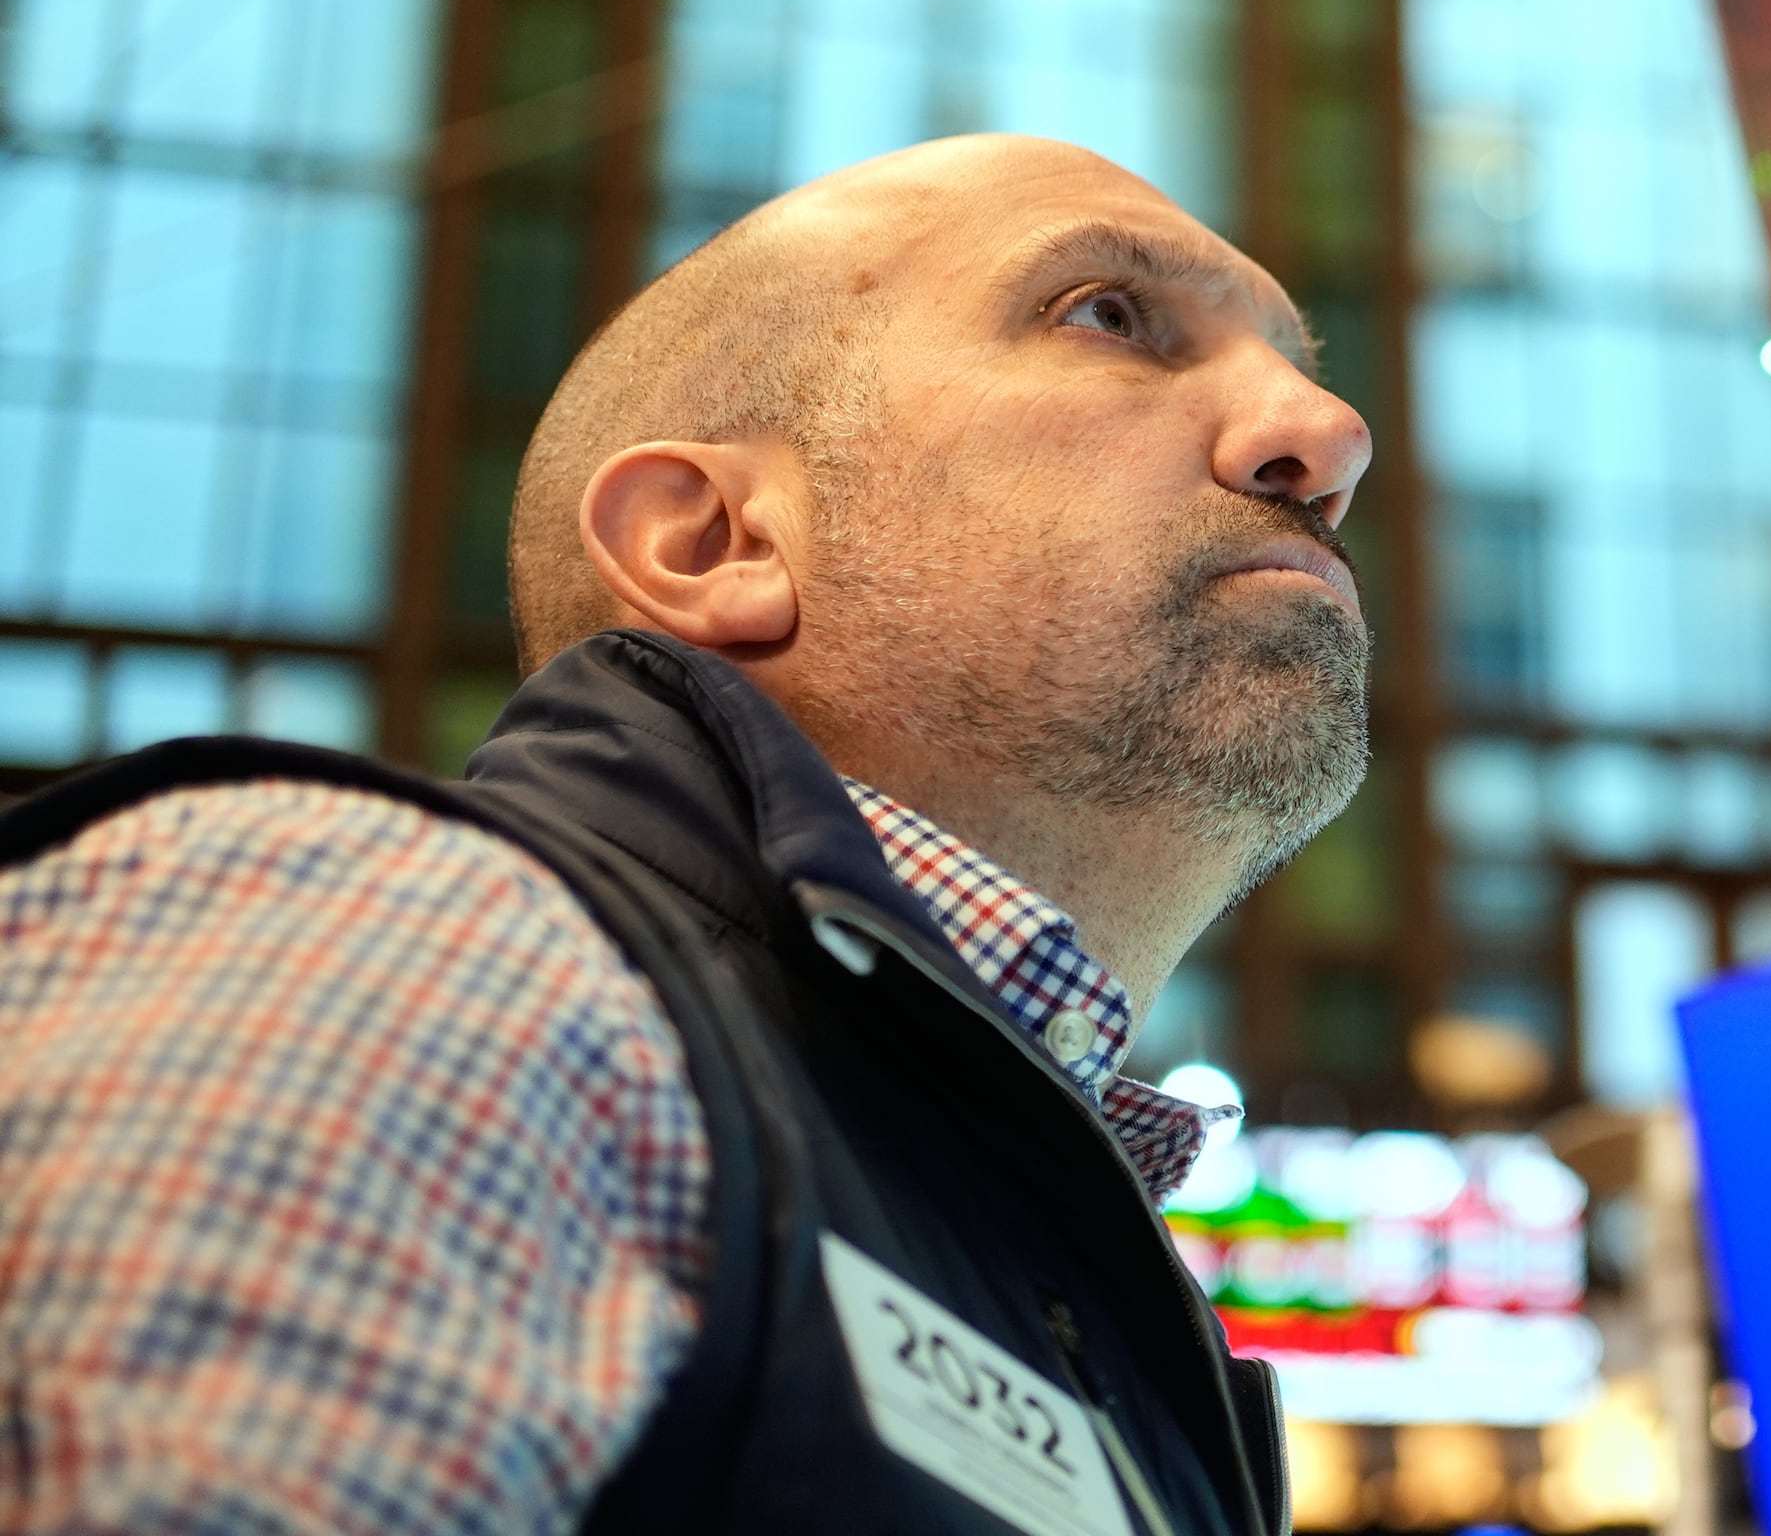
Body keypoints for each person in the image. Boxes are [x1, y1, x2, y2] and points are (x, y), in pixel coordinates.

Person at [0, 135, 1373, 1535]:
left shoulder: (1108, 1286)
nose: (1327, 433)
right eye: (1109, 315)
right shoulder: (409, 944)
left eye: (1298, 361)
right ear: (711, 541)